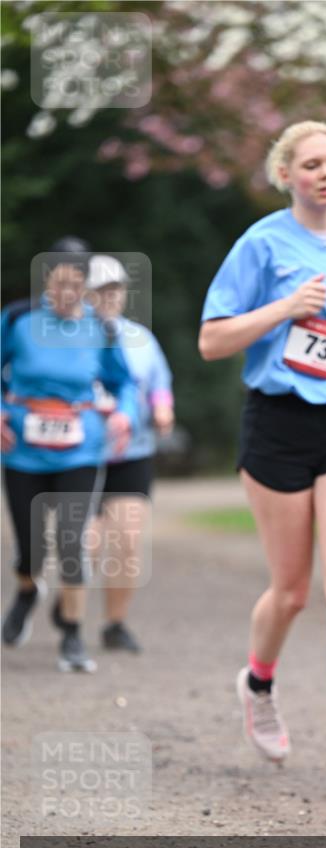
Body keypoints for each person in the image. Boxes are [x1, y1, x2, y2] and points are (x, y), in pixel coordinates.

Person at [199, 121, 326, 794]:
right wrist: (283, 307)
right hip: (278, 422)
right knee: (290, 592)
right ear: (286, 174)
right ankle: (257, 682)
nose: (325, 173)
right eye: (311, 163)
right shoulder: (261, 243)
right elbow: (212, 341)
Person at [1, 238, 136, 672]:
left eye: (76, 285)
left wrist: (124, 416)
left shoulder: (103, 329)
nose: (67, 294)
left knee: (71, 541)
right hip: (22, 449)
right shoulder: (19, 320)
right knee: (31, 550)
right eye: (60, 284)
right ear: (46, 281)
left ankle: (73, 637)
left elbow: (124, 384)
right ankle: (27, 590)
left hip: (80, 449)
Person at [83, 253, 174, 653]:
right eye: (101, 290)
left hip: (132, 454)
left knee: (127, 542)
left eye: (115, 289)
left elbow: (158, 383)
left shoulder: (140, 338)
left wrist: (162, 408)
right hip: (82, 456)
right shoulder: (68, 338)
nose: (109, 297)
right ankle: (69, 615)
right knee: (86, 543)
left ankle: (114, 623)